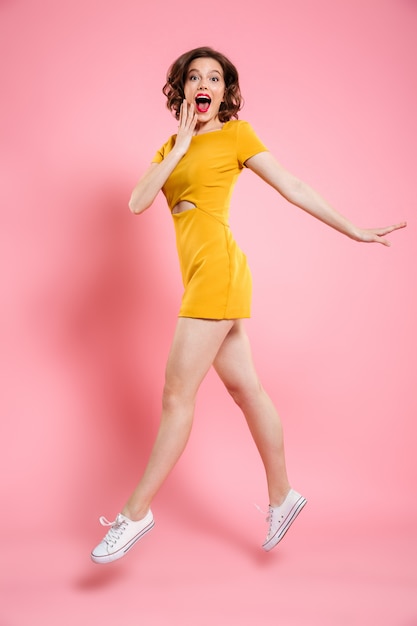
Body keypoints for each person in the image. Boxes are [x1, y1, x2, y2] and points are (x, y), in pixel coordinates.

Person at [91, 47, 406, 564]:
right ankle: (283, 496)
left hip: (218, 273)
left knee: (176, 398)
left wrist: (353, 229)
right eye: (195, 76)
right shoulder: (170, 147)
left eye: (214, 77)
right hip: (206, 276)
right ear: (183, 89)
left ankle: (134, 512)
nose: (205, 83)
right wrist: (182, 144)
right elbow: (136, 201)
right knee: (247, 389)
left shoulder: (238, 135)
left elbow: (292, 186)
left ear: (225, 90)